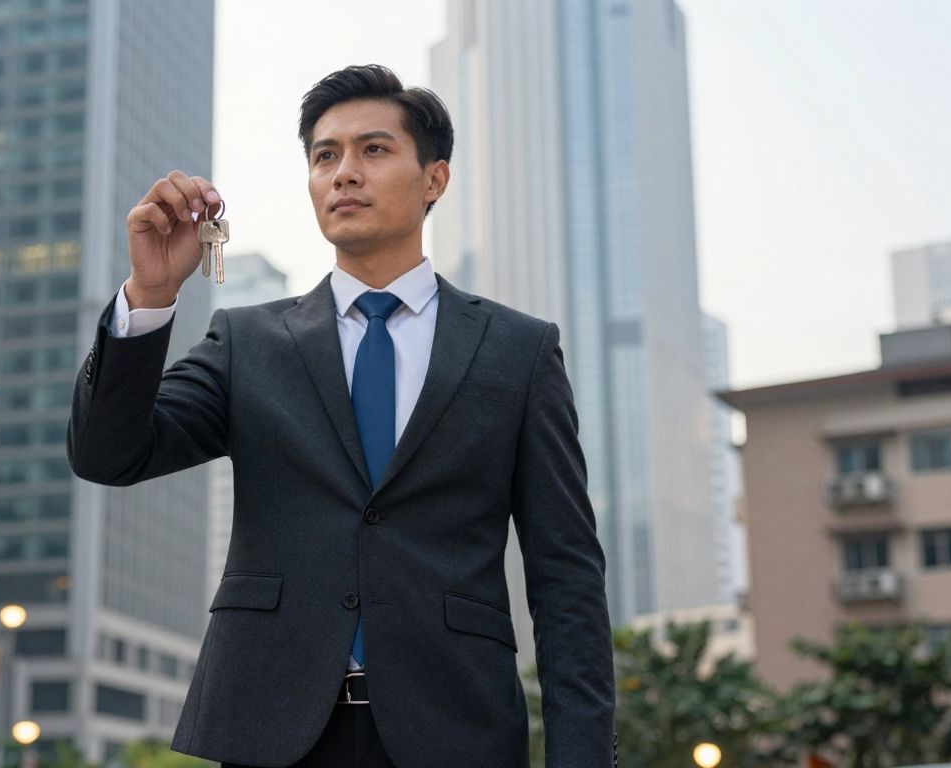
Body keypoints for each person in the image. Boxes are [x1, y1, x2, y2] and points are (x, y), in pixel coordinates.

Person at [68, 64, 614, 768]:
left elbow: (566, 577)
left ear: (435, 179)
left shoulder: (518, 350)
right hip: (271, 730)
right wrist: (149, 295)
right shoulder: (247, 343)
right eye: (325, 156)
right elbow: (109, 455)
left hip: (457, 729)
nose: (344, 172)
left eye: (374, 150)